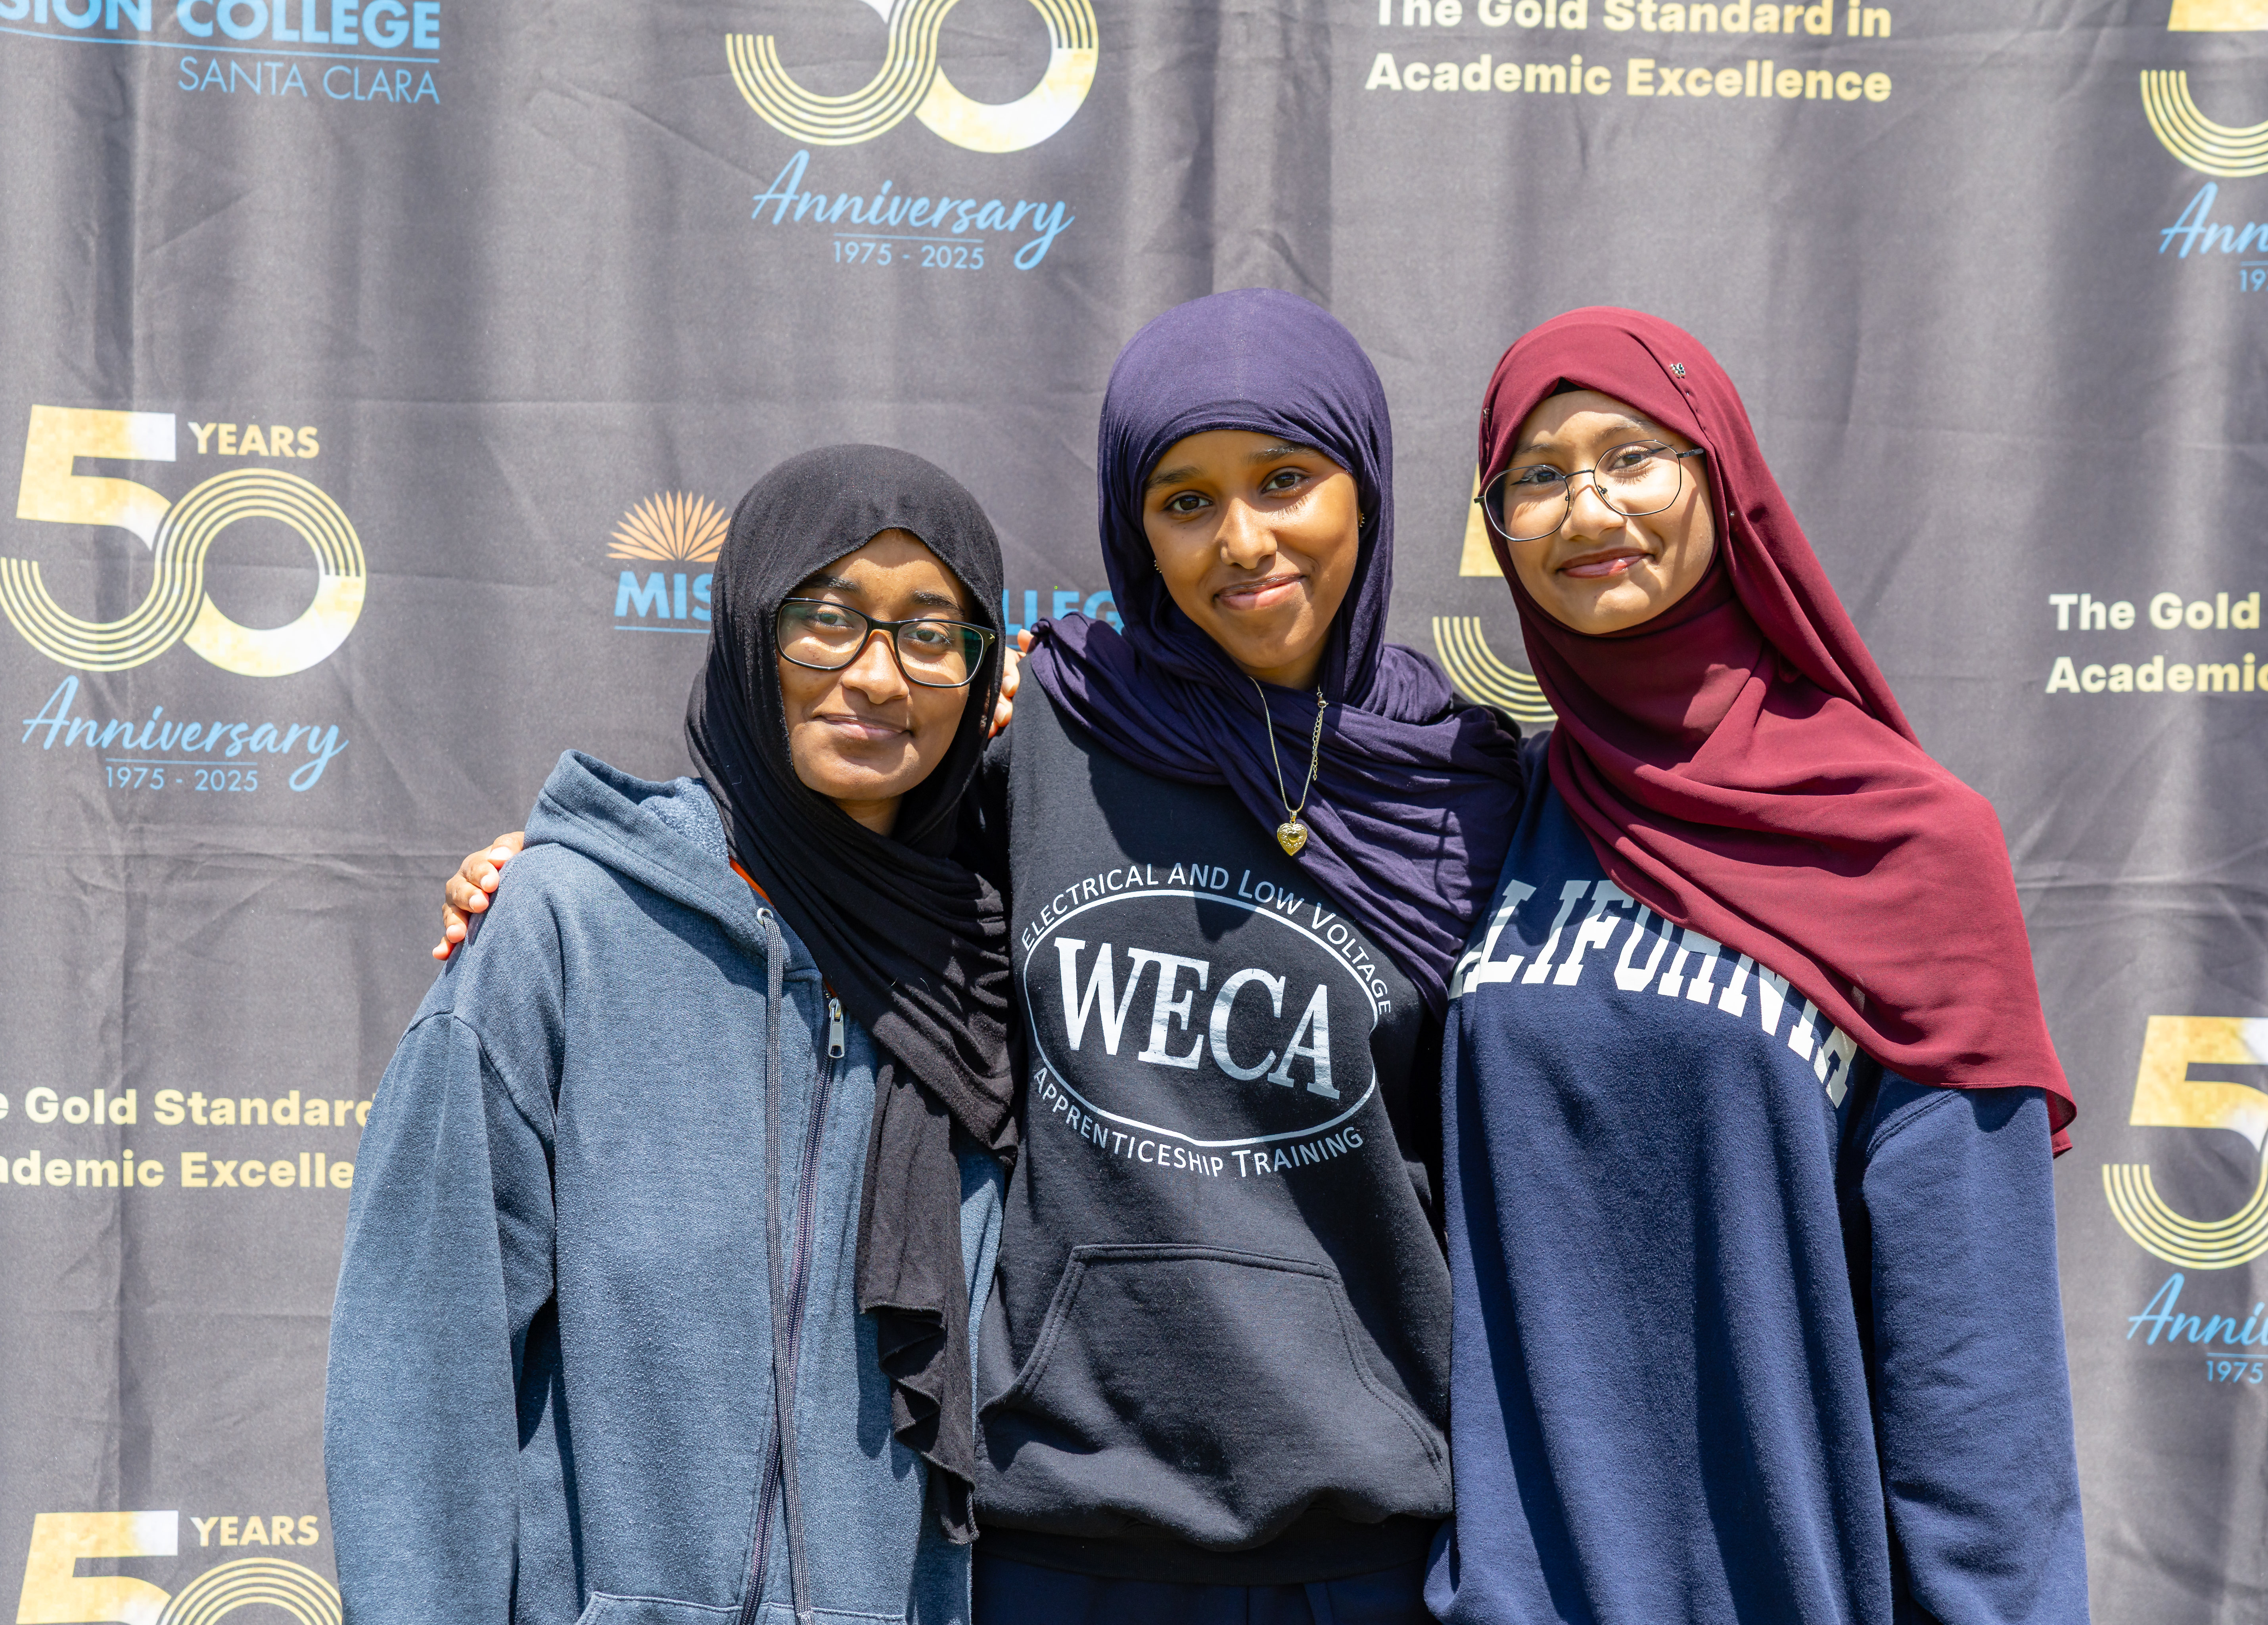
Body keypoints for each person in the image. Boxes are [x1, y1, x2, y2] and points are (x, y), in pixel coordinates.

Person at [433, 290, 1526, 1623]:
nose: (1243, 539)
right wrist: (578, 858)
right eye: (1186, 500)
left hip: (1363, 1534)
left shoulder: (1469, 794)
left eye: (1285, 481)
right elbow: (823, 840)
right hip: (1056, 1529)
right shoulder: (1054, 725)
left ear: (1369, 486)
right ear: (1135, 523)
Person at [1429, 307, 2089, 1625]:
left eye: (1633, 456)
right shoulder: (1497, 807)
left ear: (1722, 475)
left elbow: (1977, 1361)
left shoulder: (1907, 842)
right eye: (1537, 476)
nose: (1588, 507)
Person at [327, 446, 1018, 1625]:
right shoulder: (567, 926)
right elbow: (420, 1369)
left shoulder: (996, 971)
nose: (876, 675)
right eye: (827, 620)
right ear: (749, 630)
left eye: (929, 633)